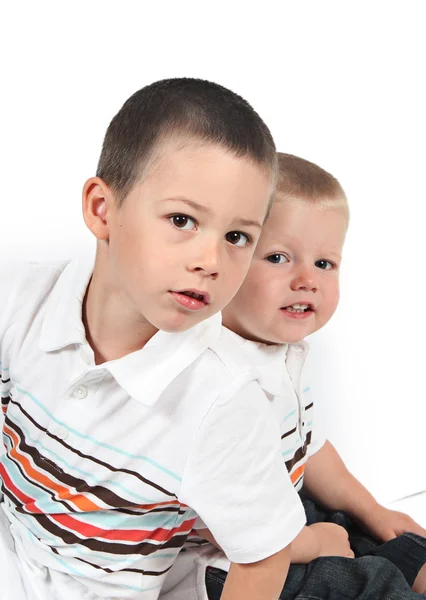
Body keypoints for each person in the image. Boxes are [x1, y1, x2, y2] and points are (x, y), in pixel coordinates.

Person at [0, 81, 306, 600]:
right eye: (182, 220)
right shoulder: (22, 298)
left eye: (237, 237)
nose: (210, 261)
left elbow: (265, 557)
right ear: (102, 210)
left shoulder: (222, 400)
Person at [165, 153, 426, 599]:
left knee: (407, 549)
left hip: (290, 515)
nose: (307, 279)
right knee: (377, 586)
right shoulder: (210, 379)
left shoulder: (282, 354)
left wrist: (373, 511)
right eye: (279, 257)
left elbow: (310, 447)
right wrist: (312, 543)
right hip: (234, 565)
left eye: (324, 264)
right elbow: (207, 521)